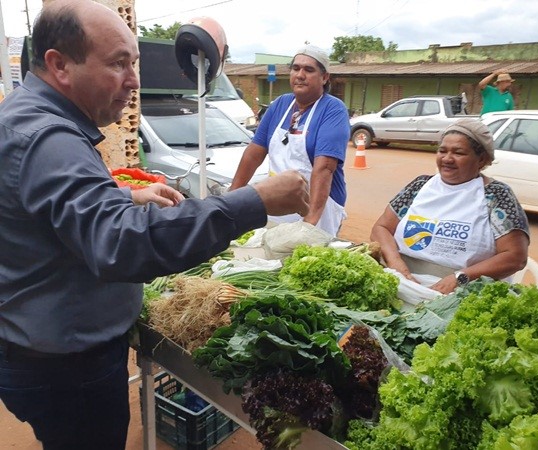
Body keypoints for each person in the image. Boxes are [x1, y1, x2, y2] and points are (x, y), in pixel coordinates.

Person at [0, 2, 309, 450]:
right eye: (118, 63)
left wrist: (123, 195)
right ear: (59, 64)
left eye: (134, 63)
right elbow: (125, 245)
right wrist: (253, 201)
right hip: (67, 369)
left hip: (42, 351)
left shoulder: (26, 117)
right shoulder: (49, 138)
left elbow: (39, 208)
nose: (134, 80)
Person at [370, 118, 529, 295]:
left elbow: (515, 257)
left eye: (458, 153)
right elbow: (381, 228)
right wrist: (396, 263)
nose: (447, 159)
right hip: (404, 282)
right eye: (442, 151)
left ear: (481, 159)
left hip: (462, 293)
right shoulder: (420, 185)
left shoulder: (496, 195)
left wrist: (460, 277)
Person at [230, 44, 351, 236]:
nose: (300, 74)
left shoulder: (333, 110)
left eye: (309, 70)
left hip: (319, 208)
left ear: (325, 77)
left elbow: (325, 168)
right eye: (296, 68)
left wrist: (309, 222)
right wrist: (230, 200)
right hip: (277, 205)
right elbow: (254, 154)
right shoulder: (281, 105)